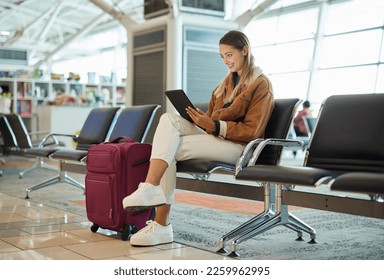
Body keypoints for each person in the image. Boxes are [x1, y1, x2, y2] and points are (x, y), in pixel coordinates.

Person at [122, 30, 275, 246]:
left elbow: (253, 130)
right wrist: (203, 121)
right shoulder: (223, 87)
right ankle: (151, 189)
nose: (226, 61)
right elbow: (211, 121)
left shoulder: (261, 84)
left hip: (240, 148)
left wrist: (213, 125)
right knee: (168, 120)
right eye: (222, 56)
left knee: (168, 149)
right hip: (216, 138)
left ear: (245, 51)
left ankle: (160, 220)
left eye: (229, 55)